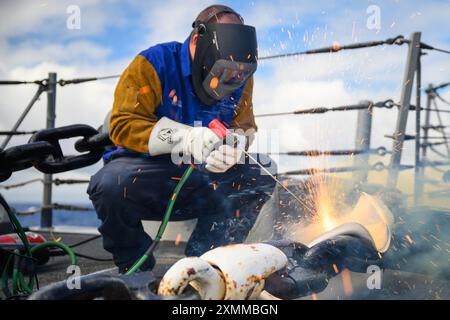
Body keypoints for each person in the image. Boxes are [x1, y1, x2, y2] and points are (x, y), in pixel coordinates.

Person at [87, 4, 276, 273]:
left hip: (202, 180)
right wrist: (184, 138)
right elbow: (123, 124)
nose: (233, 79)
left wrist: (234, 146)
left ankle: (207, 264)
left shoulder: (240, 74)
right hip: (149, 179)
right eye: (226, 70)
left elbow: (244, 126)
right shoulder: (152, 63)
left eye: (241, 73)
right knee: (109, 184)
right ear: (198, 41)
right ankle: (135, 265)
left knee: (259, 175)